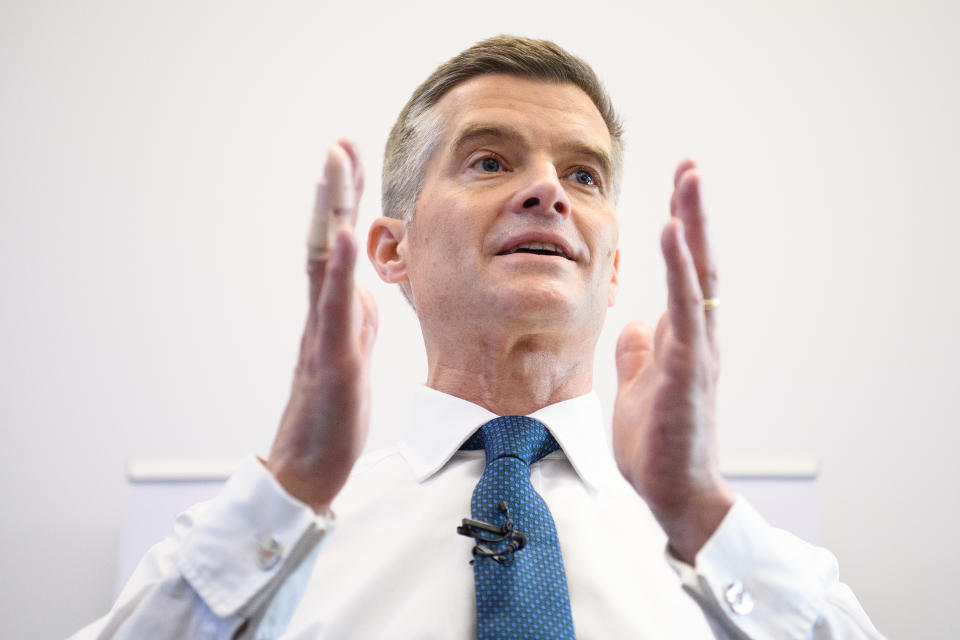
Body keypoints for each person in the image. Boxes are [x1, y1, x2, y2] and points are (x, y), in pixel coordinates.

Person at [74, 35, 884, 639]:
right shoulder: (262, 544)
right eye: (491, 161)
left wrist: (702, 513)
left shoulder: (732, 563)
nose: (546, 192)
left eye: (583, 175)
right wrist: (285, 488)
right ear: (393, 251)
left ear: (611, 272)